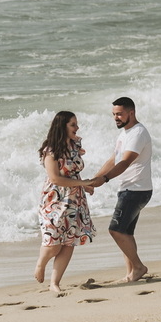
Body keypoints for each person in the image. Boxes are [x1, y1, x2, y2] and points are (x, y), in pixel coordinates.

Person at [90, 96, 153, 283]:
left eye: (119, 114)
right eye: (113, 114)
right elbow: (113, 160)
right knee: (125, 233)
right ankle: (131, 273)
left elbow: (125, 162)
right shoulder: (125, 133)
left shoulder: (138, 133)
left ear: (131, 113)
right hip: (130, 188)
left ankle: (139, 267)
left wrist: (105, 179)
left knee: (116, 230)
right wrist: (94, 180)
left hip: (136, 190)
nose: (115, 118)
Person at [36, 110, 97, 292]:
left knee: (69, 242)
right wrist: (82, 183)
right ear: (62, 126)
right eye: (73, 124)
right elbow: (55, 178)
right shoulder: (50, 150)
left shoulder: (75, 145)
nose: (77, 127)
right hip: (54, 200)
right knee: (53, 244)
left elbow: (74, 171)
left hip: (75, 200)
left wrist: (84, 186)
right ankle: (41, 264)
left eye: (76, 124)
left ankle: (54, 283)